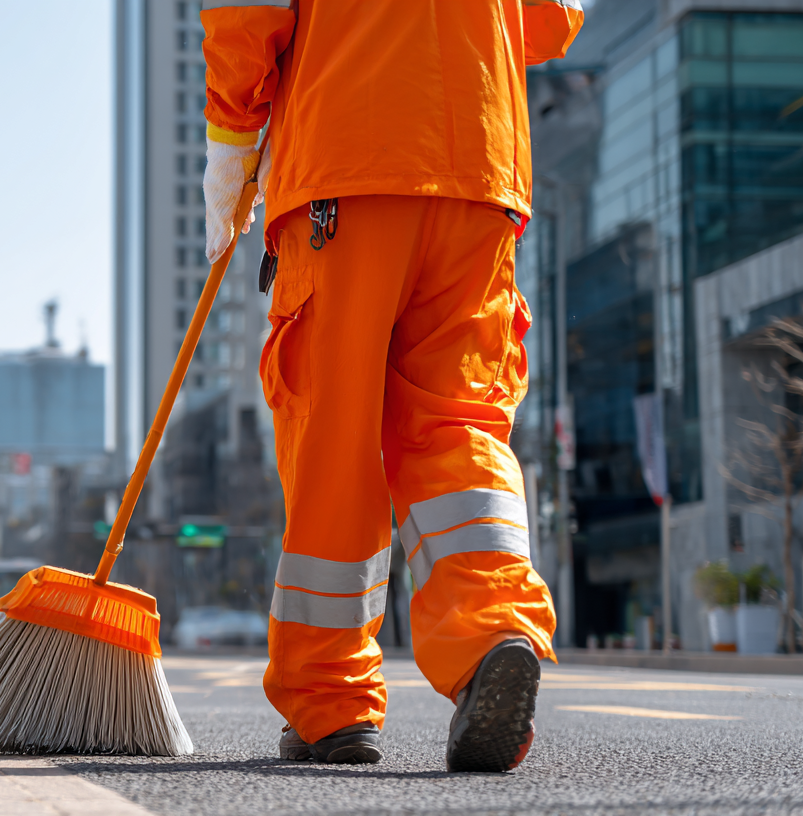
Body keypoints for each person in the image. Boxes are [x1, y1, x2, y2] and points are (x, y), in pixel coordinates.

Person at [199, 0, 583, 772]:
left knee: (334, 440)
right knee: (459, 427)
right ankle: (489, 632)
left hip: (352, 161)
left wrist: (231, 149)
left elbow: (247, 14)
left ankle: (330, 702)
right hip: (481, 168)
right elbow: (552, 21)